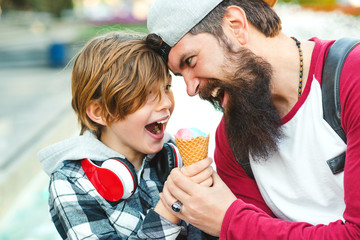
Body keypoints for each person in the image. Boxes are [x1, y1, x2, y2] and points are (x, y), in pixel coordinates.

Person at [146, 0, 360, 239]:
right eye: (179, 75)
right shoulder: (231, 138)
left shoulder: (352, 77)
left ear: (235, 26)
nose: (190, 89)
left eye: (191, 61)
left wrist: (228, 220)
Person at [38, 32, 217, 239]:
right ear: (100, 112)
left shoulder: (174, 157)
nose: (166, 103)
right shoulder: (72, 181)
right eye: (147, 94)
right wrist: (172, 205)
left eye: (167, 87)